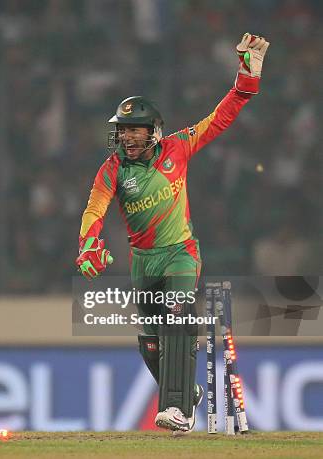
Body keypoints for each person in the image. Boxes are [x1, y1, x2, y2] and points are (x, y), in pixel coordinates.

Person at [75, 33, 269, 433]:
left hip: (181, 252)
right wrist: (88, 243)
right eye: (122, 130)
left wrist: (249, 73)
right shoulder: (112, 168)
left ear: (153, 131)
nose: (125, 137)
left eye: (133, 130)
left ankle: (178, 410)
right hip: (143, 261)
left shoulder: (178, 147)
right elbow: (95, 207)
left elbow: (222, 116)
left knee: (178, 318)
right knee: (149, 342)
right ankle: (188, 393)